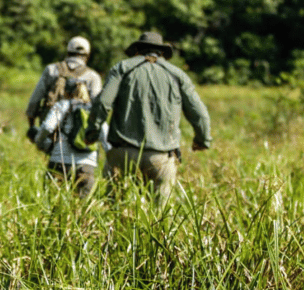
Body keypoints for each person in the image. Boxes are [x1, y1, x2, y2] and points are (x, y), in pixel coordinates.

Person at [84, 32, 211, 205]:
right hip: (161, 156)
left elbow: (102, 103)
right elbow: (199, 112)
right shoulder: (177, 74)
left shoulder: (122, 68)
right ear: (162, 53)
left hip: (123, 153)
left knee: (114, 210)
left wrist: (92, 133)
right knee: (159, 216)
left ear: (136, 50)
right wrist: (202, 140)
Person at [34, 78, 108, 197]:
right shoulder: (94, 109)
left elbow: (47, 127)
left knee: (53, 203)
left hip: (60, 160)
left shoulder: (62, 105)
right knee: (81, 208)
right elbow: (105, 136)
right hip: (87, 164)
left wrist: (39, 141)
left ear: (66, 92)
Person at [25, 36, 103, 141]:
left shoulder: (51, 70)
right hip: (79, 131)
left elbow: (35, 100)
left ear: (68, 52)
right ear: (87, 56)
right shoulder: (93, 77)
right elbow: (97, 107)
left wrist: (32, 126)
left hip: (50, 128)